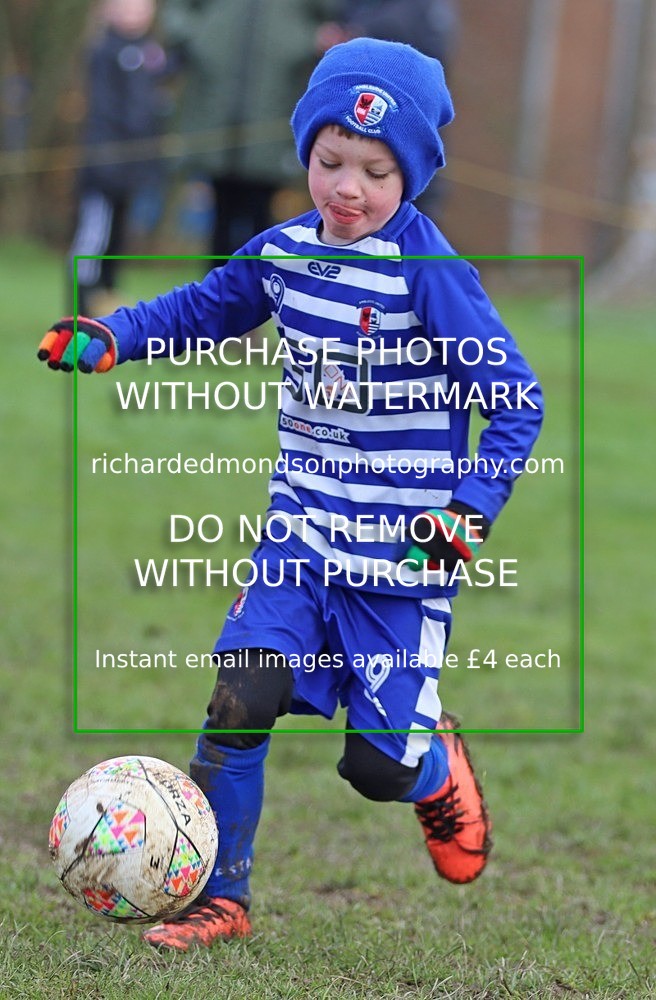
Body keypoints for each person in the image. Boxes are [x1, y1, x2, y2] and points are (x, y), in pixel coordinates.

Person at [39, 38, 544, 952]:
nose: (347, 187)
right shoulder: (285, 252)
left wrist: (463, 518)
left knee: (375, 769)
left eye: (376, 171)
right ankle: (219, 899)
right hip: (300, 539)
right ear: (305, 154)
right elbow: (203, 307)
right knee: (242, 694)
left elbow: (516, 402)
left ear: (414, 176)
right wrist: (111, 337)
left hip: (400, 562)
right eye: (330, 161)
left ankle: (432, 767)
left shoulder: (432, 279)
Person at [160, 0, 342, 259]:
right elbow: (176, 12)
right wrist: (199, 35)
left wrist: (305, 40)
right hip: (216, 113)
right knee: (220, 217)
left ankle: (256, 290)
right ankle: (218, 292)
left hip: (274, 110)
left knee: (261, 216)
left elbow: (334, 17)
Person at [68, 0, 168, 315]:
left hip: (131, 166)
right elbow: (111, 111)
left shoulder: (148, 52)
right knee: (93, 235)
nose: (134, 13)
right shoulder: (104, 51)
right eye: (126, 6)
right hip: (104, 163)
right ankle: (79, 304)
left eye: (141, 7)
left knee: (117, 235)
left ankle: (106, 297)